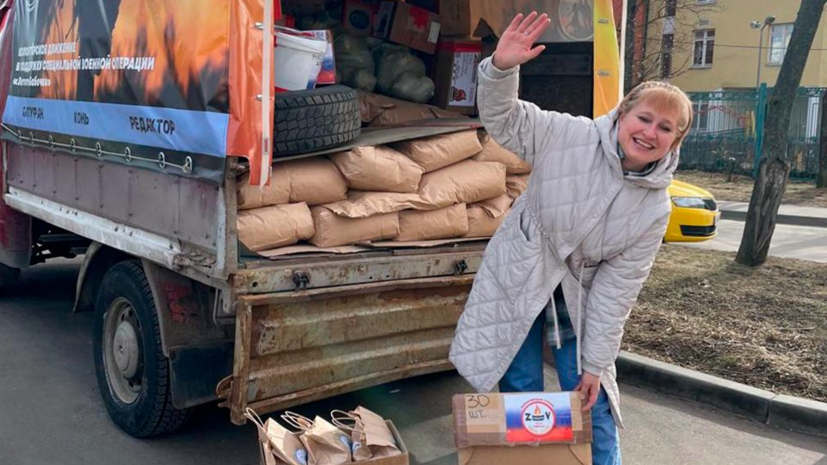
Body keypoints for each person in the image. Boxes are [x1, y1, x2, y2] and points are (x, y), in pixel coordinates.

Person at [449, 12, 693, 465]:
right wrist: (501, 70)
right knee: (520, 388)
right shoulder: (570, 134)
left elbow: (617, 290)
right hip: (522, 269)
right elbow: (504, 120)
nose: (649, 132)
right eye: (644, 117)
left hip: (579, 292)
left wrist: (597, 363)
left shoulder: (654, 207)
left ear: (677, 140)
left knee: (588, 395)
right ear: (623, 114)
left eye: (665, 127)